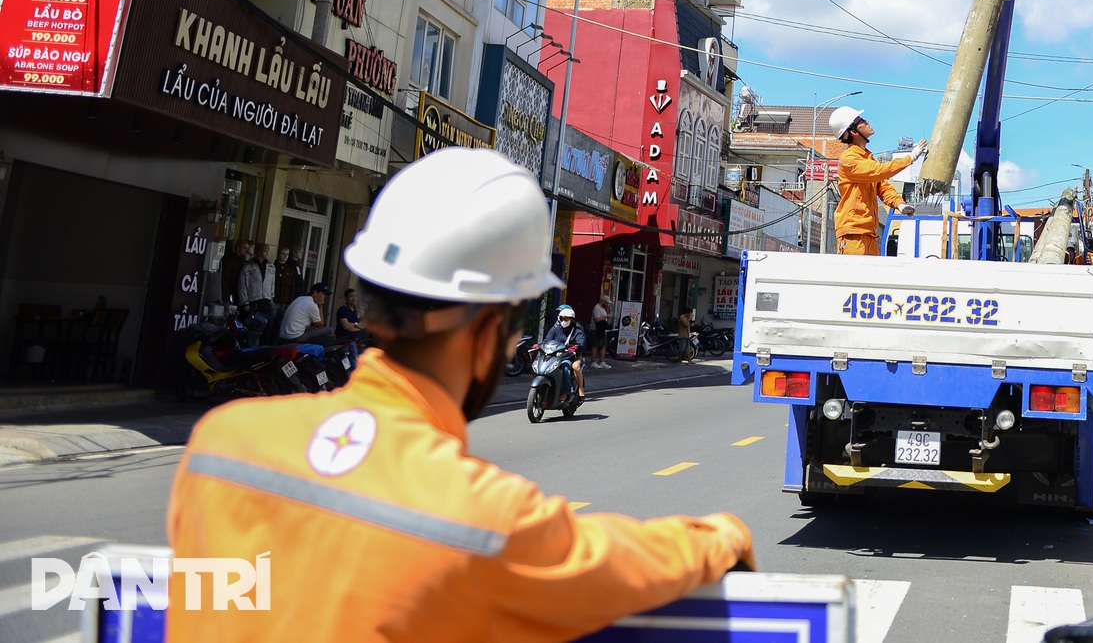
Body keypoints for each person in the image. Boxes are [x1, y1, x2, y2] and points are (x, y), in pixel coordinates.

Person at [166, 148, 752, 641]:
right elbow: (620, 562)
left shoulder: (220, 446)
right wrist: (722, 536)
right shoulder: (486, 519)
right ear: (492, 328)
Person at [829, 106, 923, 257]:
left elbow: (883, 186)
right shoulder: (849, 160)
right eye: (861, 121)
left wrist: (900, 204)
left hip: (867, 233)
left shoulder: (866, 158)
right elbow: (878, 171)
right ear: (853, 131)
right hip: (853, 234)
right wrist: (910, 158)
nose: (867, 121)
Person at [546, 305, 588, 398]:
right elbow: (547, 340)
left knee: (565, 368)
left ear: (572, 319)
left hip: (568, 356)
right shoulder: (555, 329)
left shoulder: (577, 330)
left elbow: (581, 342)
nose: (563, 321)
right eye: (561, 318)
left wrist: (574, 348)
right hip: (554, 356)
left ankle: (566, 392)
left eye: (566, 319)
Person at [237, 244, 274, 314]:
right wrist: (245, 302)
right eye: (265, 251)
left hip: (266, 298)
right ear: (259, 252)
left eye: (268, 251)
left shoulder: (270, 266)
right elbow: (242, 285)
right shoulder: (248, 266)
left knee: (265, 321)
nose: (267, 253)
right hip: (253, 298)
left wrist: (271, 297)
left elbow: (272, 283)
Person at [334, 287, 365, 353]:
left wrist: (355, 326)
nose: (354, 298)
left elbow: (363, 325)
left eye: (355, 296)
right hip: (343, 340)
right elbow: (346, 326)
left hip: (353, 340)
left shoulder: (357, 310)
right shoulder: (343, 310)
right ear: (346, 298)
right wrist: (357, 325)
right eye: (351, 296)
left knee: (354, 361)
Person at [591, 296, 613, 370]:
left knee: (604, 345)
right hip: (596, 329)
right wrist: (606, 316)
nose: (607, 305)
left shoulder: (603, 308)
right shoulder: (596, 308)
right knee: (596, 345)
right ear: (603, 302)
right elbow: (597, 319)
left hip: (602, 329)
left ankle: (602, 361)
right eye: (607, 303)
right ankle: (593, 362)